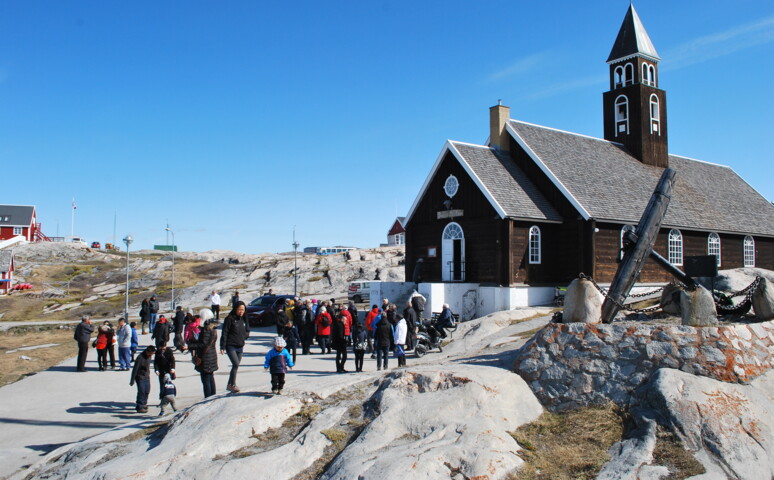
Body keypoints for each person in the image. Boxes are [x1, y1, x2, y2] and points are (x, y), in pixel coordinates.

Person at [220, 301, 250, 393]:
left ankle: (230, 384)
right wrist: (222, 346)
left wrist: (245, 335)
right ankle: (232, 385)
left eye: (243, 310)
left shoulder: (243, 318)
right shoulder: (229, 319)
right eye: (240, 309)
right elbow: (224, 332)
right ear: (235, 309)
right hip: (231, 345)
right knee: (236, 364)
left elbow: (247, 329)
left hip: (240, 345)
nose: (241, 311)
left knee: (235, 366)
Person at [190, 310, 218, 398]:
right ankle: (213, 396)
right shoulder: (213, 328)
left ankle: (208, 397)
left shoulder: (206, 329)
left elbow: (203, 344)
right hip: (211, 356)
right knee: (210, 377)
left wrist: (191, 345)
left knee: (206, 379)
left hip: (205, 357)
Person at [129, 345, 156, 413]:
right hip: (140, 377)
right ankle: (139, 406)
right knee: (141, 391)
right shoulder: (140, 358)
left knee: (147, 391)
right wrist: (132, 380)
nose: (151, 355)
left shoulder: (149, 357)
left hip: (146, 376)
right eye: (151, 353)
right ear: (147, 351)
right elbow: (135, 369)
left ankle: (144, 403)